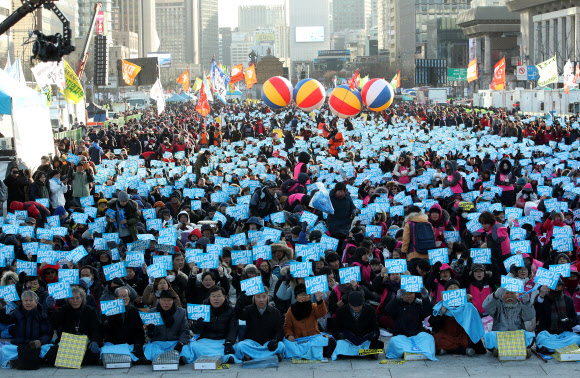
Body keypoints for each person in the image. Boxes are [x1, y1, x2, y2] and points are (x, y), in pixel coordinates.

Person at [45, 286, 102, 366]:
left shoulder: (90, 311)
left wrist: (94, 341)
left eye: (77, 298)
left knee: (94, 354)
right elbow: (54, 323)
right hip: (67, 343)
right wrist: (51, 309)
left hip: (84, 342)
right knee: (51, 354)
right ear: (68, 299)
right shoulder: (63, 310)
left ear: (82, 299)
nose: (75, 301)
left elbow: (95, 328)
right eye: (72, 298)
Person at [430, 280, 486, 356]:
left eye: (455, 287)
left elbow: (477, 318)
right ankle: (463, 350)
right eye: (450, 288)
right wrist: (442, 313)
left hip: (462, 333)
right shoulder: (439, 305)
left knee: (473, 341)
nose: (453, 289)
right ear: (446, 292)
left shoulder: (466, 304)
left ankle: (449, 349)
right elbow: (434, 324)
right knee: (436, 340)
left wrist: (470, 307)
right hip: (447, 335)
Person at [0, 290, 53, 369]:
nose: (28, 303)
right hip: (19, 346)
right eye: (26, 300)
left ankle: (19, 361)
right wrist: (1, 309)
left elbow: (48, 333)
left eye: (31, 300)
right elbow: (6, 320)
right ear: (22, 302)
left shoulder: (42, 315)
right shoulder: (17, 313)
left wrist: (40, 342)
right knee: (4, 349)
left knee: (51, 349)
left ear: (36, 301)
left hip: (36, 346)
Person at [283, 284, 335, 360]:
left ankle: (306, 353)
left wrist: (319, 301)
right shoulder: (291, 310)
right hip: (298, 339)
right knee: (286, 344)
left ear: (309, 296)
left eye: (306, 294)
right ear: (296, 297)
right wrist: (289, 335)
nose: (303, 296)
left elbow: (322, 312)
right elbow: (287, 326)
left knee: (328, 341)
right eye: (300, 295)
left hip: (313, 338)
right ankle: (309, 353)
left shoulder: (313, 307)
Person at [384, 286, 436, 360]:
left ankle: (416, 352)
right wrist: (396, 299)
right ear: (401, 295)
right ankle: (409, 352)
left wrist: (425, 298)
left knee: (429, 338)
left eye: (411, 293)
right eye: (406, 294)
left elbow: (428, 311)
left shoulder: (418, 304)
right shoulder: (397, 304)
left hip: (418, 336)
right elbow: (387, 311)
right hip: (401, 337)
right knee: (394, 341)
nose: (409, 296)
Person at [190, 286, 239, 364]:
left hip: (223, 341)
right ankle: (225, 358)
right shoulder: (202, 309)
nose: (216, 299)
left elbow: (233, 328)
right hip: (206, 341)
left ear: (224, 297)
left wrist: (229, 342)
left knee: (237, 347)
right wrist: (197, 324)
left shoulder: (231, 310)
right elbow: (195, 331)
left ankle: (224, 357)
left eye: (219, 296)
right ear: (209, 297)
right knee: (193, 346)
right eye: (213, 296)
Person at [482, 286, 536, 356]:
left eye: (512, 294)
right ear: (502, 295)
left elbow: (529, 316)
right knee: (490, 336)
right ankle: (499, 349)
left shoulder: (520, 305)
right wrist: (495, 296)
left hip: (517, 336)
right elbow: (486, 307)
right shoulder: (497, 304)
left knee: (530, 336)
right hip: (500, 335)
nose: (509, 296)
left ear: (516, 295)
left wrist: (526, 303)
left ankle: (512, 349)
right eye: (507, 294)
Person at [100, 287, 147, 364]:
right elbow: (103, 332)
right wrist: (107, 320)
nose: (124, 298)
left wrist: (138, 344)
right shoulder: (108, 312)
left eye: (126, 296)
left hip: (130, 344)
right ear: (115, 298)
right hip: (114, 345)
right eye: (121, 296)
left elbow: (139, 332)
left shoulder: (135, 311)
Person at [236, 289, 285, 361]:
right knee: (240, 346)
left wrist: (275, 340)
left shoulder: (275, 312)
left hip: (268, 343)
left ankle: (252, 356)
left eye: (264, 297)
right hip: (252, 343)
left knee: (281, 345)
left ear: (267, 297)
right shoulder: (248, 309)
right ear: (254, 297)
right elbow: (238, 314)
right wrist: (240, 300)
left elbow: (280, 330)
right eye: (258, 297)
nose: (261, 300)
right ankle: (271, 356)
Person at [332, 290, 382, 360]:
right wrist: (342, 336)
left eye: (359, 306)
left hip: (365, 340)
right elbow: (336, 329)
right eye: (354, 306)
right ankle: (361, 353)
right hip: (348, 341)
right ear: (349, 304)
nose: (357, 308)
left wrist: (373, 336)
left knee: (377, 345)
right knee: (340, 344)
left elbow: (375, 329)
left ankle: (352, 354)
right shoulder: (341, 311)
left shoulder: (371, 310)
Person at [145, 290, 190, 364]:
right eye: (164, 300)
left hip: (175, 342)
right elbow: (149, 335)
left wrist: (180, 343)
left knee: (186, 349)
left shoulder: (181, 312)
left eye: (169, 300)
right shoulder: (152, 312)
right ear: (159, 301)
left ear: (173, 301)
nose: (166, 303)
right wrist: (151, 331)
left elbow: (184, 331)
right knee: (149, 348)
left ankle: (180, 358)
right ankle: (155, 359)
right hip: (158, 343)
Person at [534, 280, 580, 353]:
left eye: (558, 286)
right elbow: (536, 313)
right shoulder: (542, 298)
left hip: (564, 334)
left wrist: (568, 321)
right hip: (547, 334)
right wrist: (541, 295)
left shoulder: (568, 300)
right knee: (541, 338)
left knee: (576, 339)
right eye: (554, 286)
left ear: (562, 287)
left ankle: (551, 348)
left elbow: (574, 318)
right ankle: (562, 348)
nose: (556, 288)